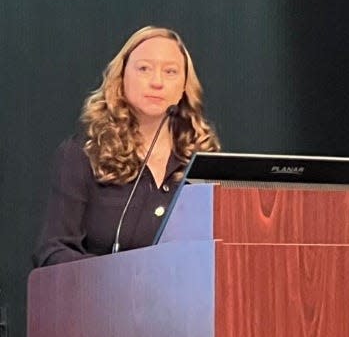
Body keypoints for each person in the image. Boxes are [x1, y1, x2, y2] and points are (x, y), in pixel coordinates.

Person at [34, 26, 220, 266]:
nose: (157, 82)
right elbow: (54, 250)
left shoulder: (204, 159)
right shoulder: (84, 153)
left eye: (171, 71)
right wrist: (115, 275)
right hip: (104, 299)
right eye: (144, 69)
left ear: (185, 85)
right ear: (121, 77)